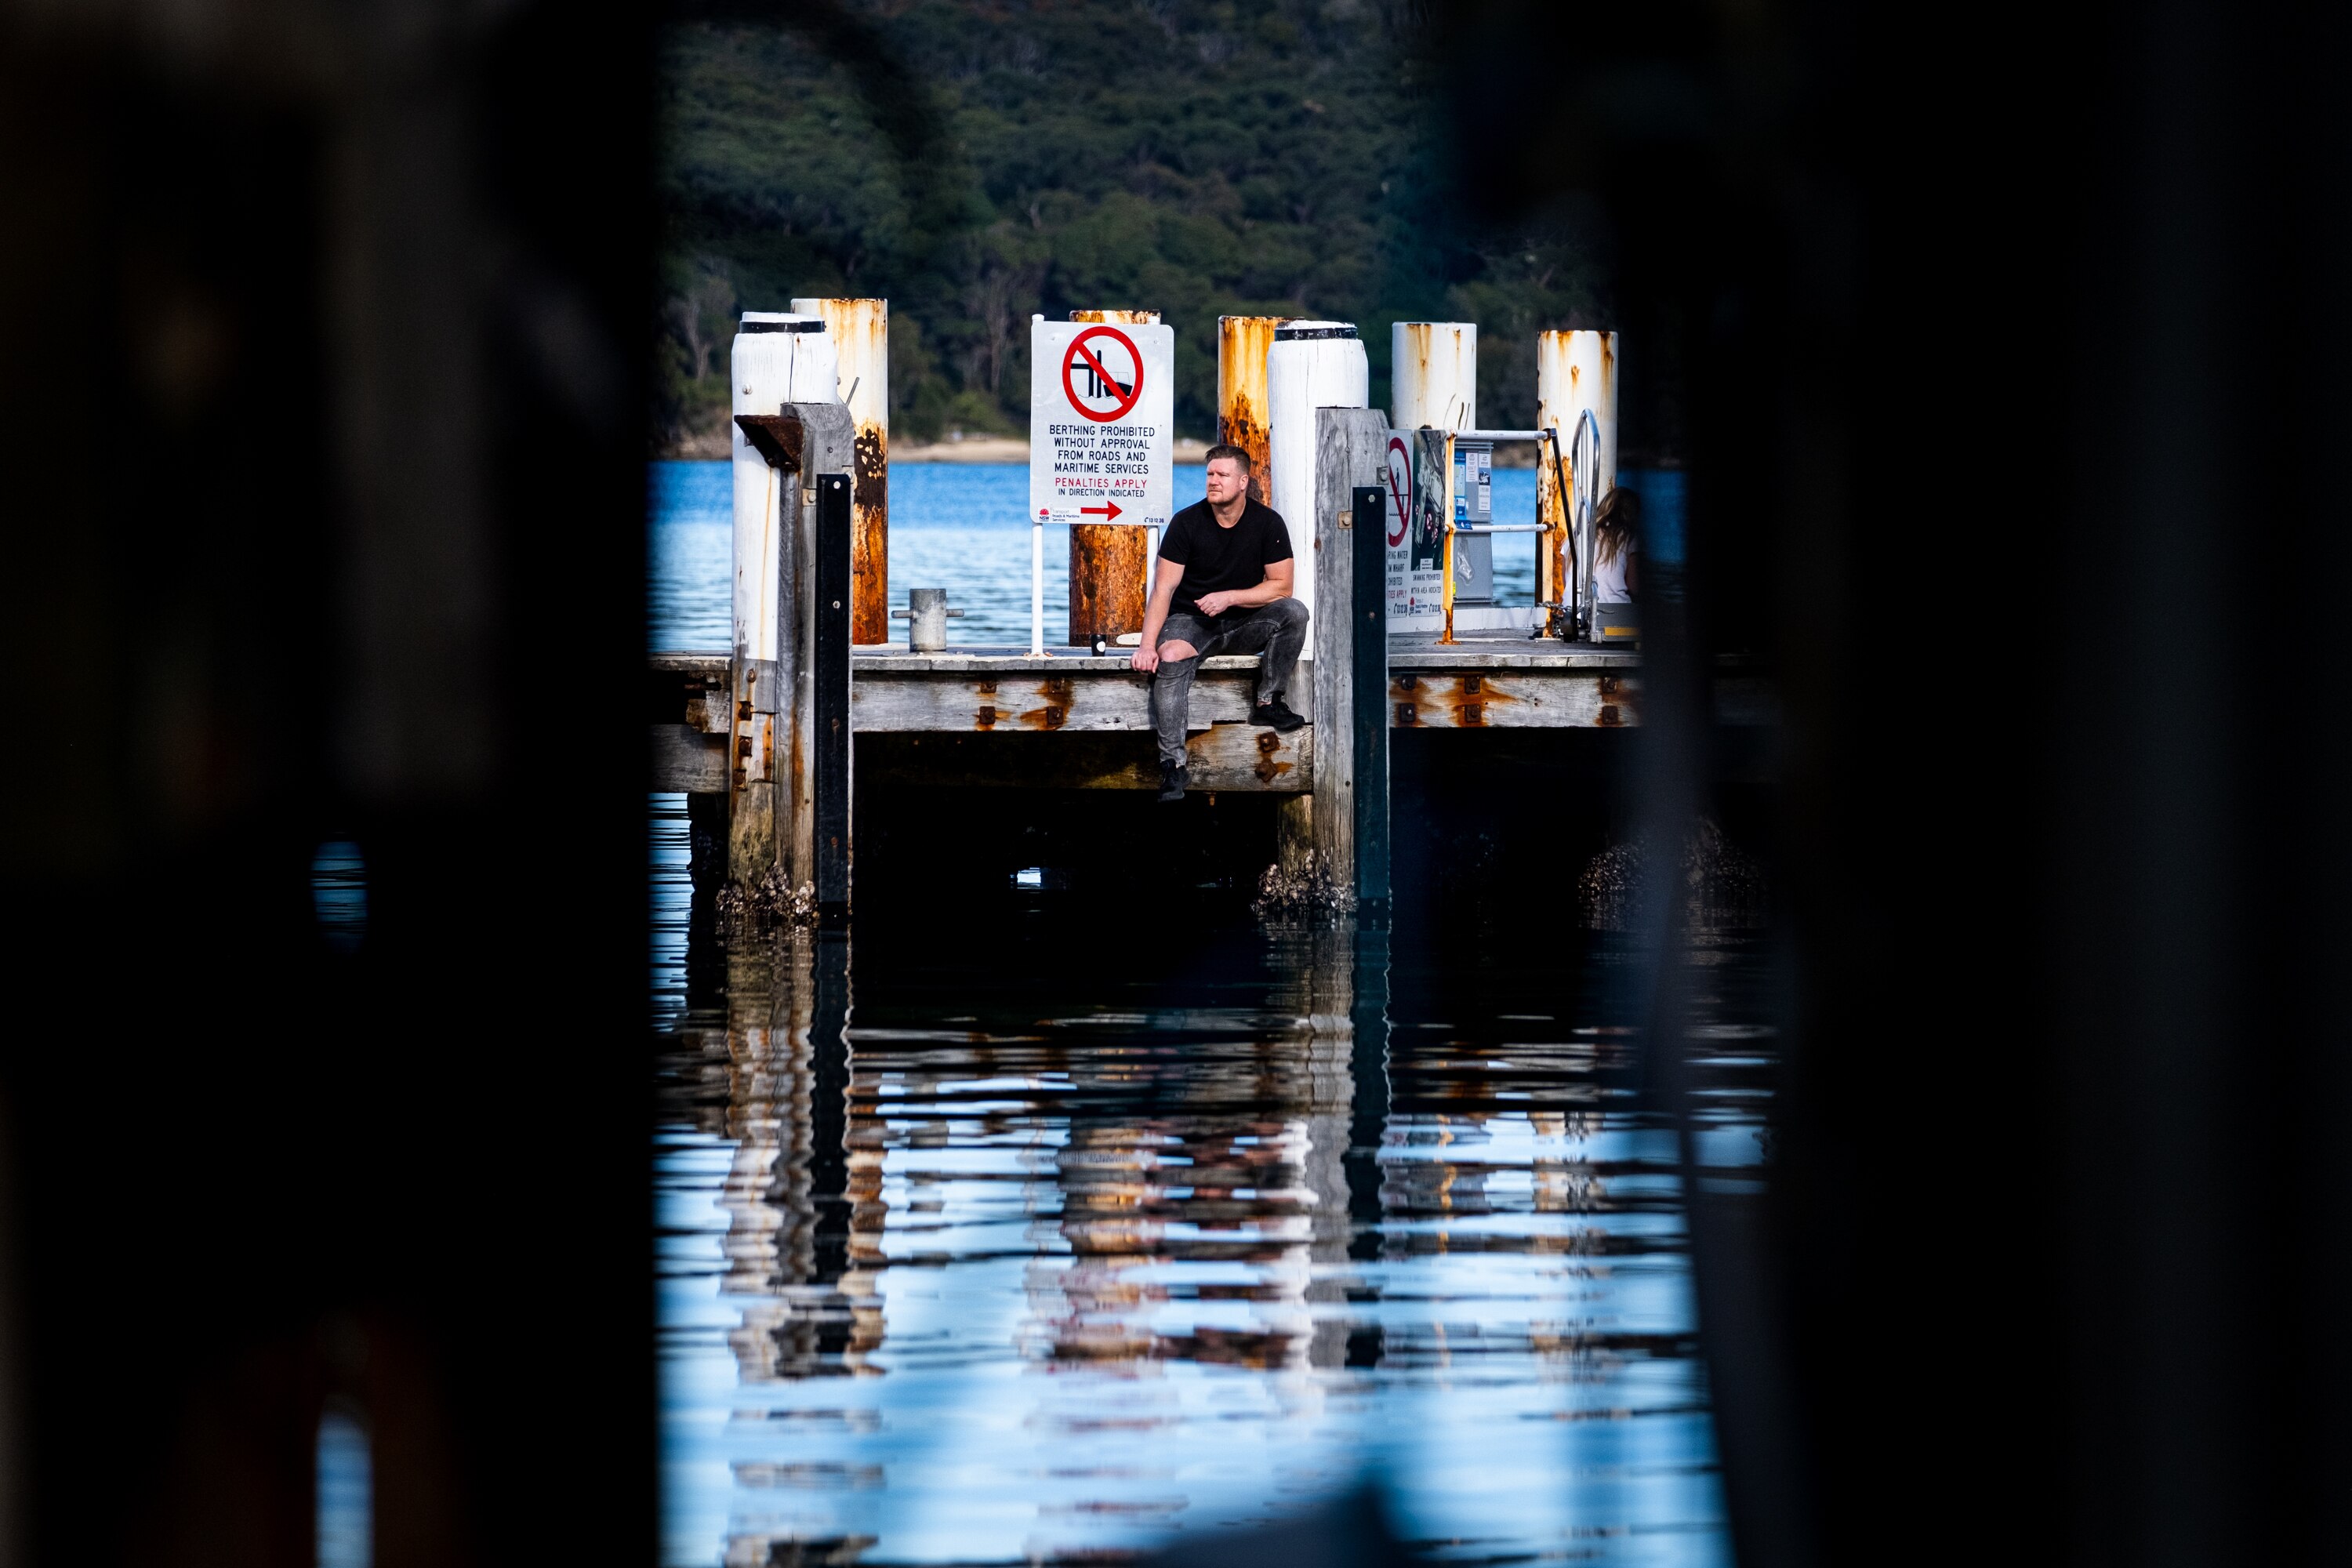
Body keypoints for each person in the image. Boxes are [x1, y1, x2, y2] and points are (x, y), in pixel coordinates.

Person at [1131, 445, 1309, 801]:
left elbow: (1281, 586)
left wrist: (1230, 597)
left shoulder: (1268, 523)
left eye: (1222, 475)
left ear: (1243, 481)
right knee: (1171, 656)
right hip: (1192, 621)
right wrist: (1148, 645)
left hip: (1242, 622)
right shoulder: (1186, 522)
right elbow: (1163, 588)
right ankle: (1172, 766)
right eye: (1210, 475)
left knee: (1295, 612)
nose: (1213, 481)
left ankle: (1268, 701)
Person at [1591, 486, 1641, 604]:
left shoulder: (1576, 535)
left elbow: (1566, 580)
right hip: (1615, 610)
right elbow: (1634, 587)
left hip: (1573, 609)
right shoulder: (1630, 538)